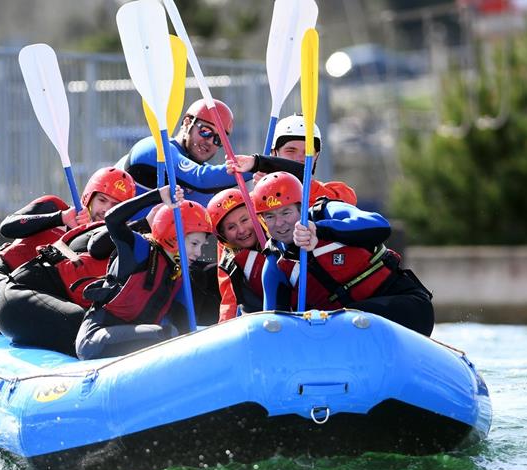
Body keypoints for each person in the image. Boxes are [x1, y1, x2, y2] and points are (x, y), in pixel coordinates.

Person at [253, 171, 435, 336]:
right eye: (270, 216)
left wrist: (320, 231)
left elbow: (380, 226)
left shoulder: (327, 212)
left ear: (301, 210)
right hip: (345, 329)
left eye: (286, 212)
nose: (279, 223)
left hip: (406, 308)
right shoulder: (275, 263)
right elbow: (273, 327)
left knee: (339, 322)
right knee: (325, 325)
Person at [0, 167, 132, 334]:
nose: (106, 210)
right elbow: (7, 227)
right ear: (88, 197)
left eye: (115, 205)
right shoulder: (54, 206)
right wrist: (60, 217)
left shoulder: (110, 245)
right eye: (102, 200)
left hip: (29, 296)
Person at [75, 186, 212, 360]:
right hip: (95, 340)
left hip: (135, 340)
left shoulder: (177, 273)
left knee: (179, 336)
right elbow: (113, 220)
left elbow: (185, 326)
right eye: (194, 244)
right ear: (173, 235)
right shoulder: (140, 249)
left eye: (201, 246)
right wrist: (157, 195)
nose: (199, 253)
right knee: (167, 334)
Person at [115, 98, 254, 212]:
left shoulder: (209, 187)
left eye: (219, 139)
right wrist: (259, 164)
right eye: (206, 131)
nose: (210, 141)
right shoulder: (155, 148)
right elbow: (202, 179)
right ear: (187, 123)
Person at [228, 114, 357, 206]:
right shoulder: (249, 204)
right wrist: (264, 194)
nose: (300, 158)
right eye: (290, 151)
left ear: (316, 156)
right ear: (274, 153)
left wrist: (259, 163)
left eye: (308, 152)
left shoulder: (339, 192)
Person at [207, 188, 267, 321]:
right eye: (231, 227)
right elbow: (229, 301)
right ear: (223, 237)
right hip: (261, 321)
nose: (241, 230)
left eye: (245, 220)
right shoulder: (230, 260)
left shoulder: (277, 230)